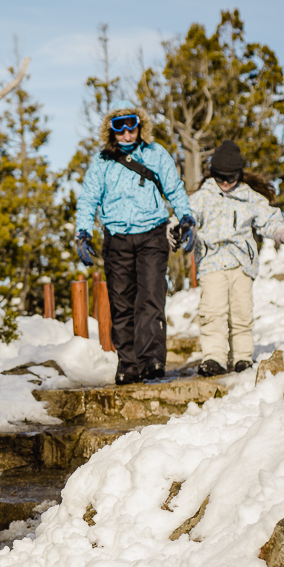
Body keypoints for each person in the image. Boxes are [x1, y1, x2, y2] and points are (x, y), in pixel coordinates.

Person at [74, 107, 196, 385]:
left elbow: (174, 188)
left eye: (132, 126)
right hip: (117, 238)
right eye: (120, 127)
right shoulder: (102, 162)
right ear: (111, 130)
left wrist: (186, 216)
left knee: (151, 296)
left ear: (141, 127)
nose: (127, 133)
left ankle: (151, 359)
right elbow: (88, 198)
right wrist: (82, 231)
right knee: (121, 302)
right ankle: (128, 363)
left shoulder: (155, 154)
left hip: (152, 234)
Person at [189, 141, 284, 377]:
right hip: (212, 261)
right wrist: (179, 229)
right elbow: (188, 216)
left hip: (242, 263)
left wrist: (282, 233)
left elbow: (268, 217)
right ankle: (214, 357)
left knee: (242, 312)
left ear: (239, 175)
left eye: (231, 178)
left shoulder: (249, 197)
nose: (226, 183)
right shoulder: (203, 196)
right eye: (221, 178)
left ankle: (242, 357)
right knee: (213, 311)